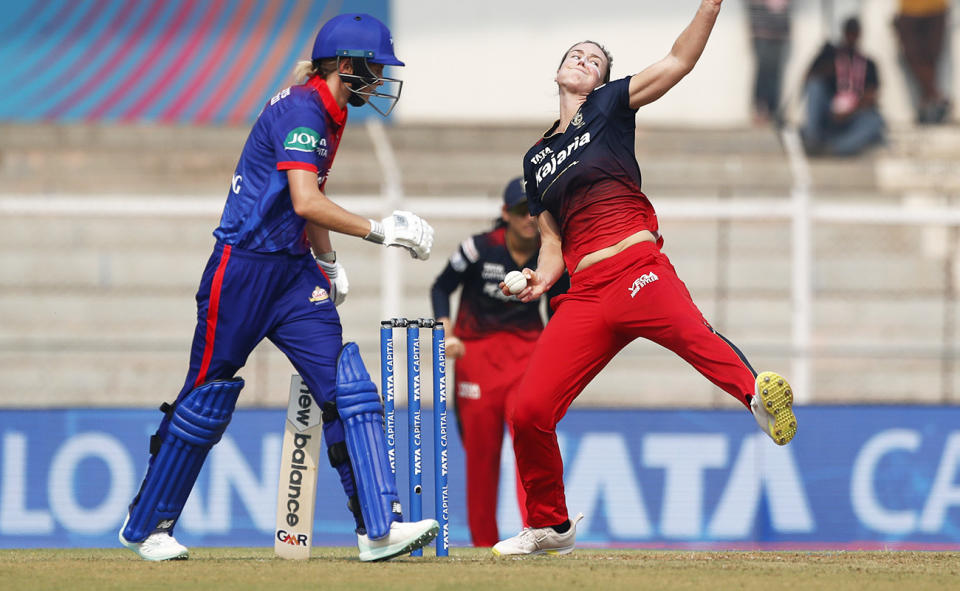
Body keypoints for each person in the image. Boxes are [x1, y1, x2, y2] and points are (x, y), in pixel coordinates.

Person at [117, 13, 439, 562]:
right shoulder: (303, 111)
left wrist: (329, 262)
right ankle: (148, 525)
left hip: (292, 274)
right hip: (241, 268)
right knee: (205, 397)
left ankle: (377, 529)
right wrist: (383, 230)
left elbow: (309, 196)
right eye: (374, 69)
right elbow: (306, 201)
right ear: (345, 66)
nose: (380, 81)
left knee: (348, 389)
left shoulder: (328, 109)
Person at [491, 0, 798, 557]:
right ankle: (551, 527)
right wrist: (537, 278)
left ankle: (757, 396)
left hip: (637, 270)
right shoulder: (535, 160)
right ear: (557, 71)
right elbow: (554, 243)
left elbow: (679, 60)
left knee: (696, 338)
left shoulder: (608, 107)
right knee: (529, 410)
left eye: (594, 59)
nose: (583, 60)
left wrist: (710, 5)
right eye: (575, 54)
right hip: (583, 295)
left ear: (603, 80)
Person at [430, 178, 569, 547]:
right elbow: (441, 286)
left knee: (529, 443)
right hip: (475, 357)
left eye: (534, 211)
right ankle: (482, 546)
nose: (528, 219)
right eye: (521, 211)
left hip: (527, 356)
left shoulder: (551, 254)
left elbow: (561, 306)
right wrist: (446, 331)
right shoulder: (476, 249)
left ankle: (538, 532)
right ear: (505, 214)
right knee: (481, 457)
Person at [801, 17, 884, 156]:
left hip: (854, 114)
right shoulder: (829, 55)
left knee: (875, 121)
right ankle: (812, 139)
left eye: (854, 32)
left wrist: (850, 111)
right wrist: (829, 65)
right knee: (815, 86)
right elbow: (809, 80)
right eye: (849, 32)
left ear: (859, 34)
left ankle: (836, 149)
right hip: (829, 112)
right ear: (844, 32)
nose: (851, 36)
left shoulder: (869, 63)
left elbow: (872, 96)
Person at [894, 0, 950, 124]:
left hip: (936, 7)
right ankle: (934, 96)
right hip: (909, 9)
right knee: (912, 56)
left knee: (931, 56)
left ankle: (929, 101)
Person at [747, 0, 792, 126]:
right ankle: (760, 109)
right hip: (761, 28)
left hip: (781, 30)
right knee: (763, 70)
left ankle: (773, 110)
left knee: (776, 72)